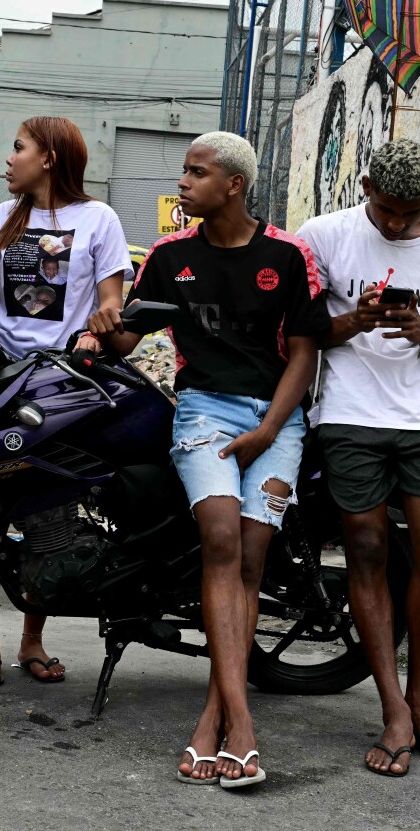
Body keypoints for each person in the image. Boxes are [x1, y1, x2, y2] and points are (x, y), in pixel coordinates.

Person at [90, 131, 328, 788]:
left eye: (197, 173)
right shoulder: (170, 256)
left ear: (234, 185)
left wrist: (269, 431)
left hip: (277, 421)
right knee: (222, 540)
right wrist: (107, 326)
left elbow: (305, 355)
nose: (183, 182)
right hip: (203, 415)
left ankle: (214, 715)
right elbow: (129, 336)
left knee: (252, 557)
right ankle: (238, 725)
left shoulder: (289, 254)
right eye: (184, 171)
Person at [297, 138, 420, 776]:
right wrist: (356, 320)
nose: (397, 223)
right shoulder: (323, 234)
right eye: (387, 208)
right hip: (347, 413)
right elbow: (301, 330)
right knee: (367, 549)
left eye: (410, 212)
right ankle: (394, 711)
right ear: (367, 184)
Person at [0, 116, 130, 685]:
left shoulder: (98, 218)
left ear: (49, 158)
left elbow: (111, 300)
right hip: (3, 380)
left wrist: (96, 331)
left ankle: (32, 639)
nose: (9, 160)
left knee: (46, 513)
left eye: (18, 148)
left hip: (62, 384)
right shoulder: (4, 217)